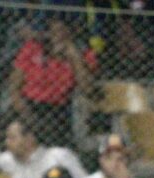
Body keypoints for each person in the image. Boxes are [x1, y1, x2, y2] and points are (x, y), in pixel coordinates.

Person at [9, 16, 96, 148]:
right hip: (28, 104)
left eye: (63, 32)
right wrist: (28, 115)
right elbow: (14, 87)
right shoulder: (33, 48)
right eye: (53, 32)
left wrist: (75, 58)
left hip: (59, 109)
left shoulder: (83, 53)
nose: (57, 38)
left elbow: (87, 89)